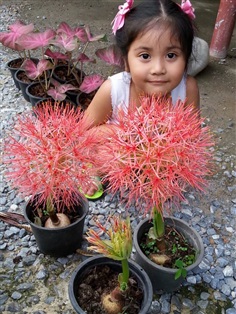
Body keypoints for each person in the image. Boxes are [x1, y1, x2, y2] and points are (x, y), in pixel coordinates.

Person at [83, 0, 200, 196]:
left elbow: (192, 138)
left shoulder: (187, 89)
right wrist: (120, 132)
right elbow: (82, 135)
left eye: (171, 55)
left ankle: (154, 182)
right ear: (126, 61)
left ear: (186, 60)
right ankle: (94, 174)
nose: (158, 69)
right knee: (98, 156)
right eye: (145, 56)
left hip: (160, 161)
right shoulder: (114, 88)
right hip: (119, 156)